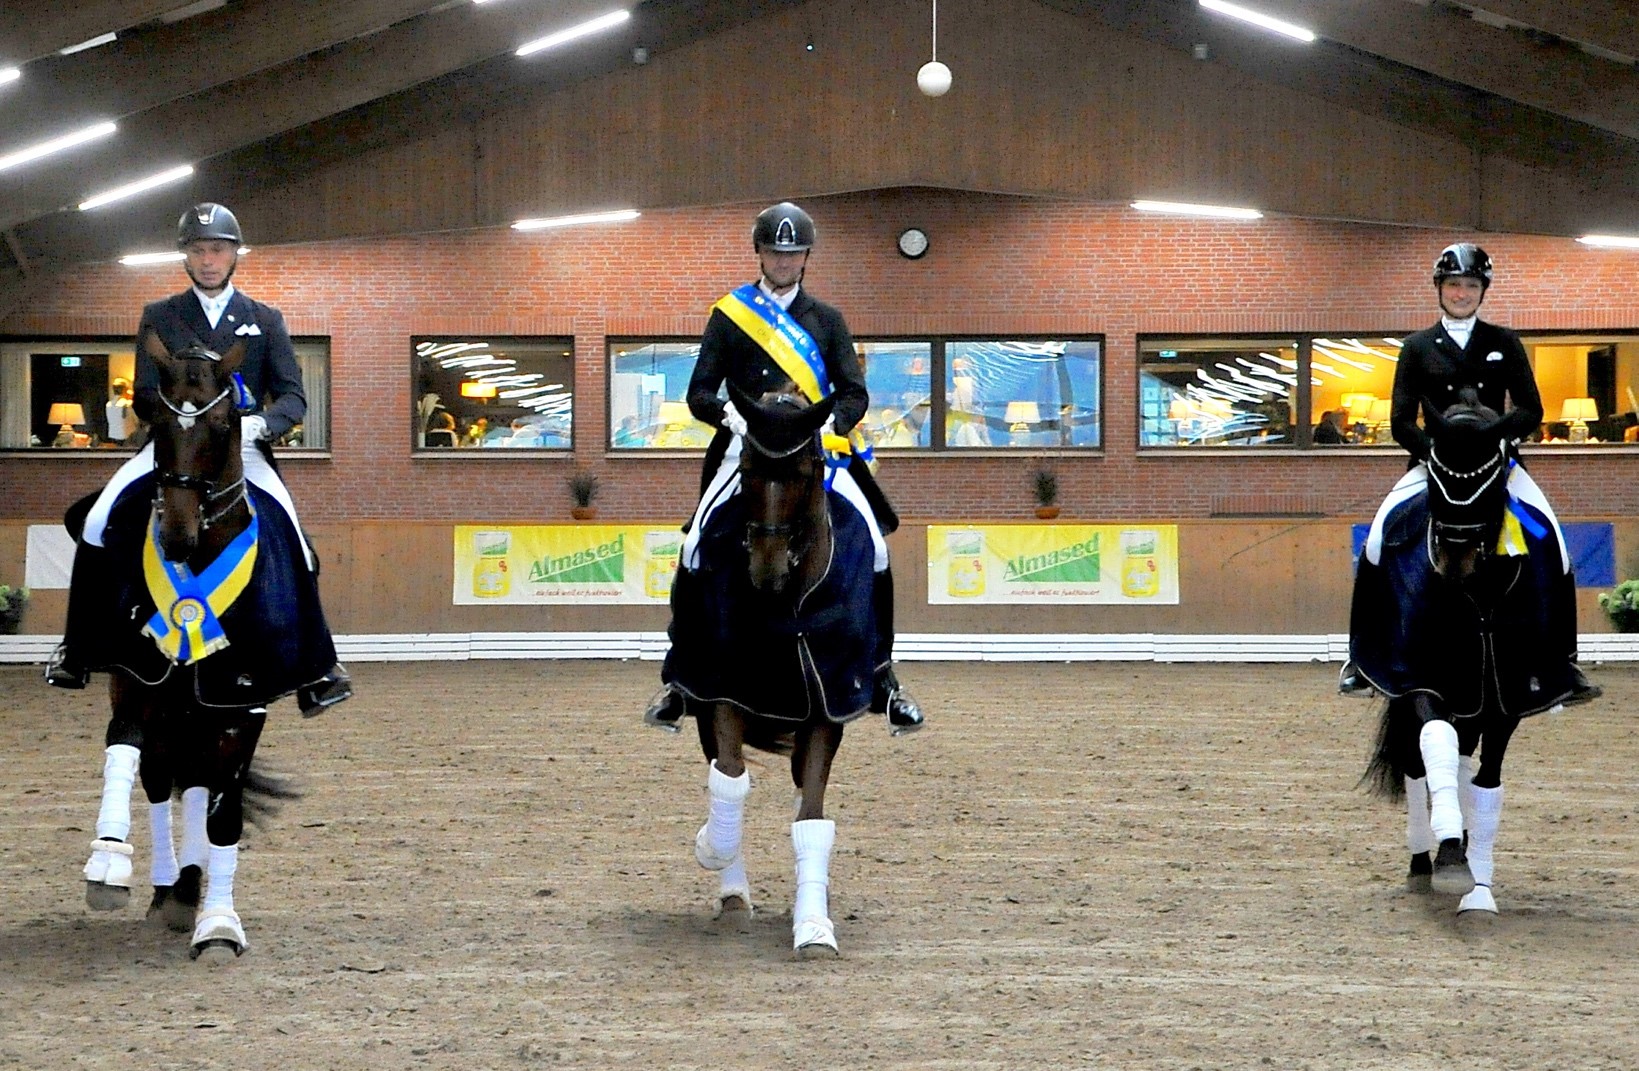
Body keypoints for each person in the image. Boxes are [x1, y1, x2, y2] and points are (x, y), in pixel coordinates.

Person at [47, 202, 351, 714]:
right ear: (185, 257)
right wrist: (173, 418)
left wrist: (261, 424)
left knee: (298, 543)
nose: (208, 260)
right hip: (174, 446)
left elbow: (293, 396)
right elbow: (145, 390)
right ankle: (75, 649)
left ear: (234, 255)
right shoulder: (161, 315)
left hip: (242, 449)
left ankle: (318, 668)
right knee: (97, 521)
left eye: (217, 250)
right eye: (198, 251)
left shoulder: (264, 319)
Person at [643, 201, 924, 734]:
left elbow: (854, 392)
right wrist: (728, 416)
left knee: (877, 547)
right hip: (747, 449)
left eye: (793, 254)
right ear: (759, 253)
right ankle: (678, 679)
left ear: (806, 258)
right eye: (775, 251)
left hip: (814, 450)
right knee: (694, 545)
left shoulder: (827, 320)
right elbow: (699, 391)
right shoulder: (730, 316)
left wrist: (829, 424)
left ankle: (883, 677)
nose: (784, 261)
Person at [1341, 242, 1598, 703]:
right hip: (1435, 465)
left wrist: (1498, 440)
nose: (1461, 293)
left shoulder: (1504, 342)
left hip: (1496, 464)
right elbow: (1401, 420)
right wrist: (1434, 453)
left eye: (1471, 285)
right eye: (1454, 284)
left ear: (1483, 290)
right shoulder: (1417, 347)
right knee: (1377, 539)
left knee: (1554, 542)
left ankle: (1563, 661)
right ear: (1440, 288)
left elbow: (1530, 409)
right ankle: (1360, 658)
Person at [104, 378, 138, 443]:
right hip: (126, 436)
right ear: (125, 390)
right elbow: (136, 421)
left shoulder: (108, 404)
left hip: (112, 435)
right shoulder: (128, 404)